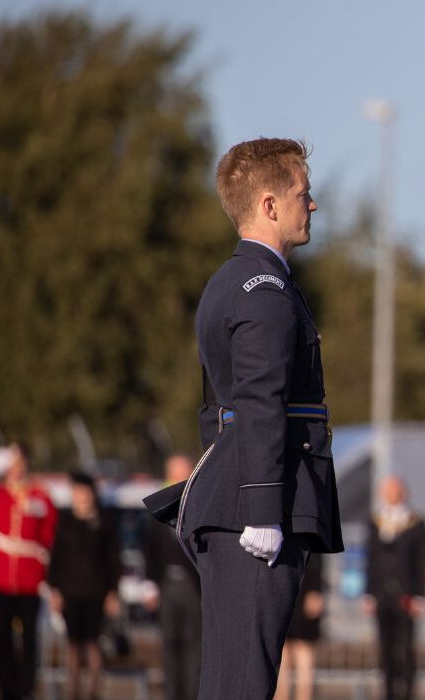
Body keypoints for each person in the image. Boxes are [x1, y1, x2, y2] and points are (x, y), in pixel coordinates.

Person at [143, 137, 343, 698]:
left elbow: (218, 411)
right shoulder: (265, 291)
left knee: (235, 675)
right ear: (270, 205)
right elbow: (258, 401)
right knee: (244, 681)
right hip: (257, 511)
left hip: (237, 499)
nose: (314, 204)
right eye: (304, 193)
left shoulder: (234, 282)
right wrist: (261, 507)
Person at [0, 444, 57, 700]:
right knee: (3, 637)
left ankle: (26, 687)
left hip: (29, 578)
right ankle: (5, 688)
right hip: (0, 576)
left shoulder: (41, 497)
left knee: (29, 638)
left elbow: (48, 535)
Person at [47, 472, 122, 700]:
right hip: (70, 592)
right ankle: (72, 691)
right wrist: (54, 591)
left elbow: (113, 559)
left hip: (96, 592)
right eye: (76, 492)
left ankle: (93, 692)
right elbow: (56, 558)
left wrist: (113, 592)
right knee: (72, 644)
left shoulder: (104, 521)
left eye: (85, 492)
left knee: (92, 643)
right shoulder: (64, 521)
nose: (81, 496)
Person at [142, 454, 202, 700]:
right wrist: (149, 585)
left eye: (183, 473)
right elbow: (149, 548)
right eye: (174, 473)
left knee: (194, 644)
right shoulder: (158, 507)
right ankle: (172, 693)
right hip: (166, 584)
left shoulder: (200, 503)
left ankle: (192, 693)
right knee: (169, 643)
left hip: (194, 586)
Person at [364, 475, 425, 700]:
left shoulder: (416, 522)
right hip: (382, 594)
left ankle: (408, 693)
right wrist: (368, 593)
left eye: (394, 491)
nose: (390, 495)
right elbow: (370, 558)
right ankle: (388, 692)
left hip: (406, 593)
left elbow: (422, 561)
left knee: (406, 647)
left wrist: (421, 595)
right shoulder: (375, 521)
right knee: (385, 647)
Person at [275, 554, 325, 700]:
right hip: (280, 586)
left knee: (303, 651)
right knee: (280, 654)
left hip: (305, 589)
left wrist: (316, 589)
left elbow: (316, 553)